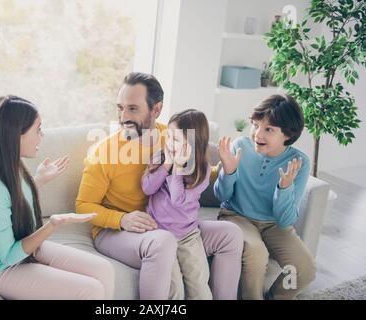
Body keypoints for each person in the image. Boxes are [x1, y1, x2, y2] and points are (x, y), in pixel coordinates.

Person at [76, 72, 243, 299]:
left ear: (156, 109)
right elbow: (83, 205)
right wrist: (121, 219)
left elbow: (197, 177)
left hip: (168, 224)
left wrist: (227, 169)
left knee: (230, 233)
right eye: (120, 107)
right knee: (162, 242)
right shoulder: (104, 151)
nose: (123, 116)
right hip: (116, 231)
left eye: (133, 108)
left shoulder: (172, 135)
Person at [0, 95, 115, 299]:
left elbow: (10, 204)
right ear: (16, 135)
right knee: (91, 290)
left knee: (104, 270)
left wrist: (38, 180)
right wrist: (52, 224)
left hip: (22, 251)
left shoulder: (9, 164)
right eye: (37, 130)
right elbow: (8, 255)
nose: (41, 136)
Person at [215, 94, 316, 300]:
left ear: (287, 134)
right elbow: (221, 196)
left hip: (274, 225)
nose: (257, 134)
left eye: (268, 129)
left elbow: (285, 220)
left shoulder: (299, 162)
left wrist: (284, 187)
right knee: (256, 254)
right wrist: (229, 172)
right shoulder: (240, 147)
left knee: (305, 269)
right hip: (237, 216)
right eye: (255, 125)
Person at [142, 109, 219, 300]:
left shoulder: (202, 170)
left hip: (187, 235)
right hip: (159, 233)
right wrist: (167, 164)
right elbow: (147, 188)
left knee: (200, 287)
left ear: (193, 143)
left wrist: (178, 168)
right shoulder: (160, 157)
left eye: (175, 139)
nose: (169, 143)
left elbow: (178, 200)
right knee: (174, 289)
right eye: (168, 136)